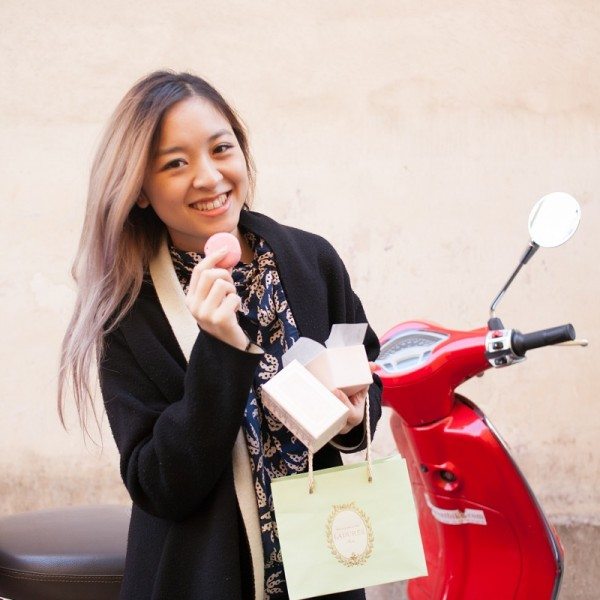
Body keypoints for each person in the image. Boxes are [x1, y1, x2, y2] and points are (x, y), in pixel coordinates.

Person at [58, 71, 382, 600]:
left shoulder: (311, 261)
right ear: (140, 191)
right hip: (201, 578)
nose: (209, 177)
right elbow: (159, 485)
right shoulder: (130, 308)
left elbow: (367, 370)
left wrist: (352, 417)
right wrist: (220, 348)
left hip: (321, 570)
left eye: (221, 148)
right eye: (175, 163)